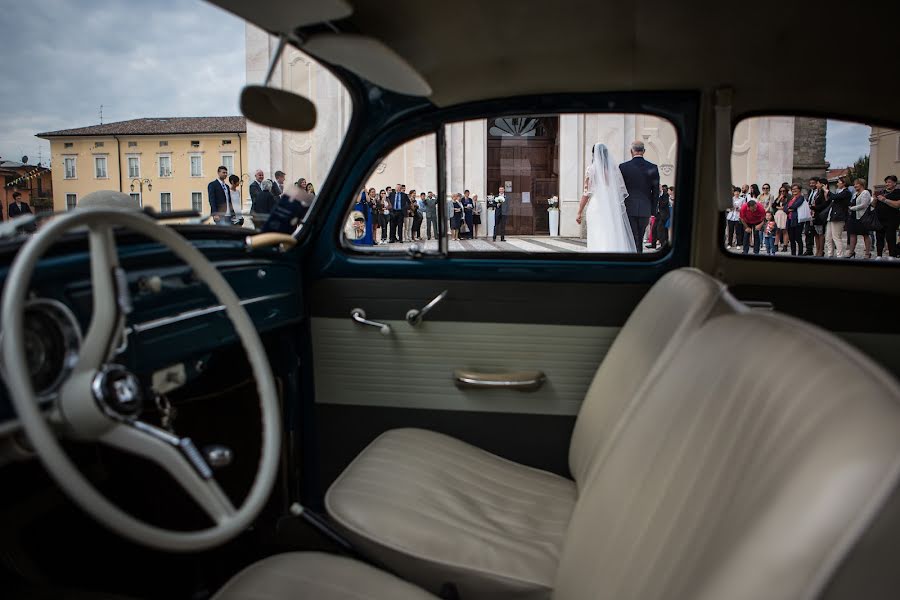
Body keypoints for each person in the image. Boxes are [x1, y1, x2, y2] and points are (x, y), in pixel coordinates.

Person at [575, 143, 635, 253]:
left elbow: (586, 193)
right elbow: (620, 190)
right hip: (611, 205)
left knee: (597, 232)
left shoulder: (591, 169)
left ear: (594, 154)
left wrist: (579, 211)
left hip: (596, 205)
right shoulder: (613, 169)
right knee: (610, 231)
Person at [618, 140, 660, 253]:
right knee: (640, 238)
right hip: (645, 208)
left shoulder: (623, 167)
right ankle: (638, 256)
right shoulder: (653, 167)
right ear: (644, 151)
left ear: (631, 151)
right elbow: (656, 192)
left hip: (628, 208)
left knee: (631, 237)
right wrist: (653, 211)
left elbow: (619, 190)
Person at [823, 175, 850, 258]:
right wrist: (826, 193)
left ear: (844, 183)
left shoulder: (846, 192)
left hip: (839, 217)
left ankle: (840, 255)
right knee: (828, 237)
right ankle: (830, 254)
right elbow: (830, 198)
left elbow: (835, 197)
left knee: (836, 237)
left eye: (839, 182)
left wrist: (827, 190)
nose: (837, 183)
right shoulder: (839, 191)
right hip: (832, 216)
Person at [873, 175, 900, 259]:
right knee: (879, 237)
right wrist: (874, 199)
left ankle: (892, 255)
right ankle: (879, 255)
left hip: (892, 219)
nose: (887, 184)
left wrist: (884, 200)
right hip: (880, 218)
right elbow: (874, 205)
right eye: (886, 182)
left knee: (890, 237)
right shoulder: (881, 192)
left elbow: (897, 204)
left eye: (889, 182)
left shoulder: (898, 192)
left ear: (895, 183)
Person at [846, 178, 873, 259]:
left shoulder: (865, 192)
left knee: (865, 235)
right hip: (854, 217)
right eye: (854, 184)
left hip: (863, 217)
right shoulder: (855, 194)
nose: (855, 185)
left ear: (862, 184)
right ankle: (851, 252)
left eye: (856, 184)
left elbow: (864, 205)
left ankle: (867, 253)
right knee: (852, 234)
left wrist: (852, 208)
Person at [810, 177, 830, 256]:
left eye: (818, 183)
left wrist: (814, 207)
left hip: (821, 215)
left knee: (821, 233)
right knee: (816, 233)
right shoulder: (817, 193)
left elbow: (825, 205)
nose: (816, 184)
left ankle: (821, 250)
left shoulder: (824, 193)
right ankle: (817, 249)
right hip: (815, 215)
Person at [786, 183, 807, 256]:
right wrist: (789, 209)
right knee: (791, 238)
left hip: (797, 220)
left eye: (795, 189)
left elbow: (795, 205)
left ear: (799, 190)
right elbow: (785, 208)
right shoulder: (791, 198)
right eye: (792, 189)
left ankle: (800, 254)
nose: (794, 190)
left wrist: (790, 208)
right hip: (789, 219)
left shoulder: (801, 197)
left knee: (798, 237)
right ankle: (793, 254)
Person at [803, 177, 819, 255]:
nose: (811, 184)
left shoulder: (819, 192)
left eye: (813, 183)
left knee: (815, 233)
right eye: (811, 183)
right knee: (807, 232)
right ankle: (809, 249)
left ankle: (818, 250)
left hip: (815, 214)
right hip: (808, 214)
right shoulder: (810, 191)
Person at [773, 185, 789, 252]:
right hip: (778, 215)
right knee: (777, 230)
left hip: (784, 215)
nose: (782, 192)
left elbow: (787, 207)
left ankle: (785, 246)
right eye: (781, 191)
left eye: (783, 191)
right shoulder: (778, 198)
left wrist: (779, 207)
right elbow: (774, 205)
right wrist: (779, 198)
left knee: (784, 230)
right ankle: (776, 245)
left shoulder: (788, 198)